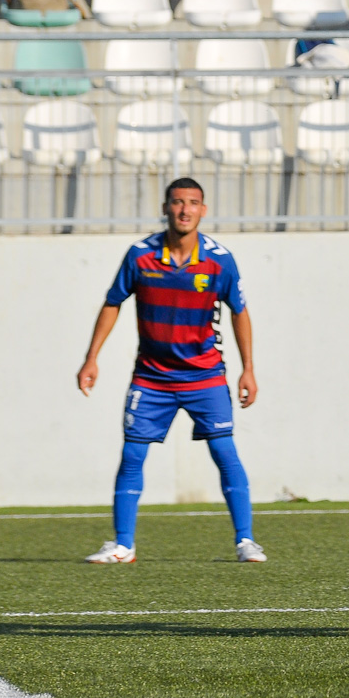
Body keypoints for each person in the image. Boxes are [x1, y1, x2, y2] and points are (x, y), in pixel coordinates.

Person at [75, 178, 265, 564]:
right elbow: (112, 303)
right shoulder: (141, 255)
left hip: (205, 375)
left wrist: (248, 370)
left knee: (224, 451)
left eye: (193, 203)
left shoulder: (219, 259)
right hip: (152, 377)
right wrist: (92, 357)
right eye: (178, 202)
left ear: (203, 210)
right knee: (132, 455)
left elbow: (239, 312)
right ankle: (123, 545)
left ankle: (246, 541)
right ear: (166, 208)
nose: (185, 210)